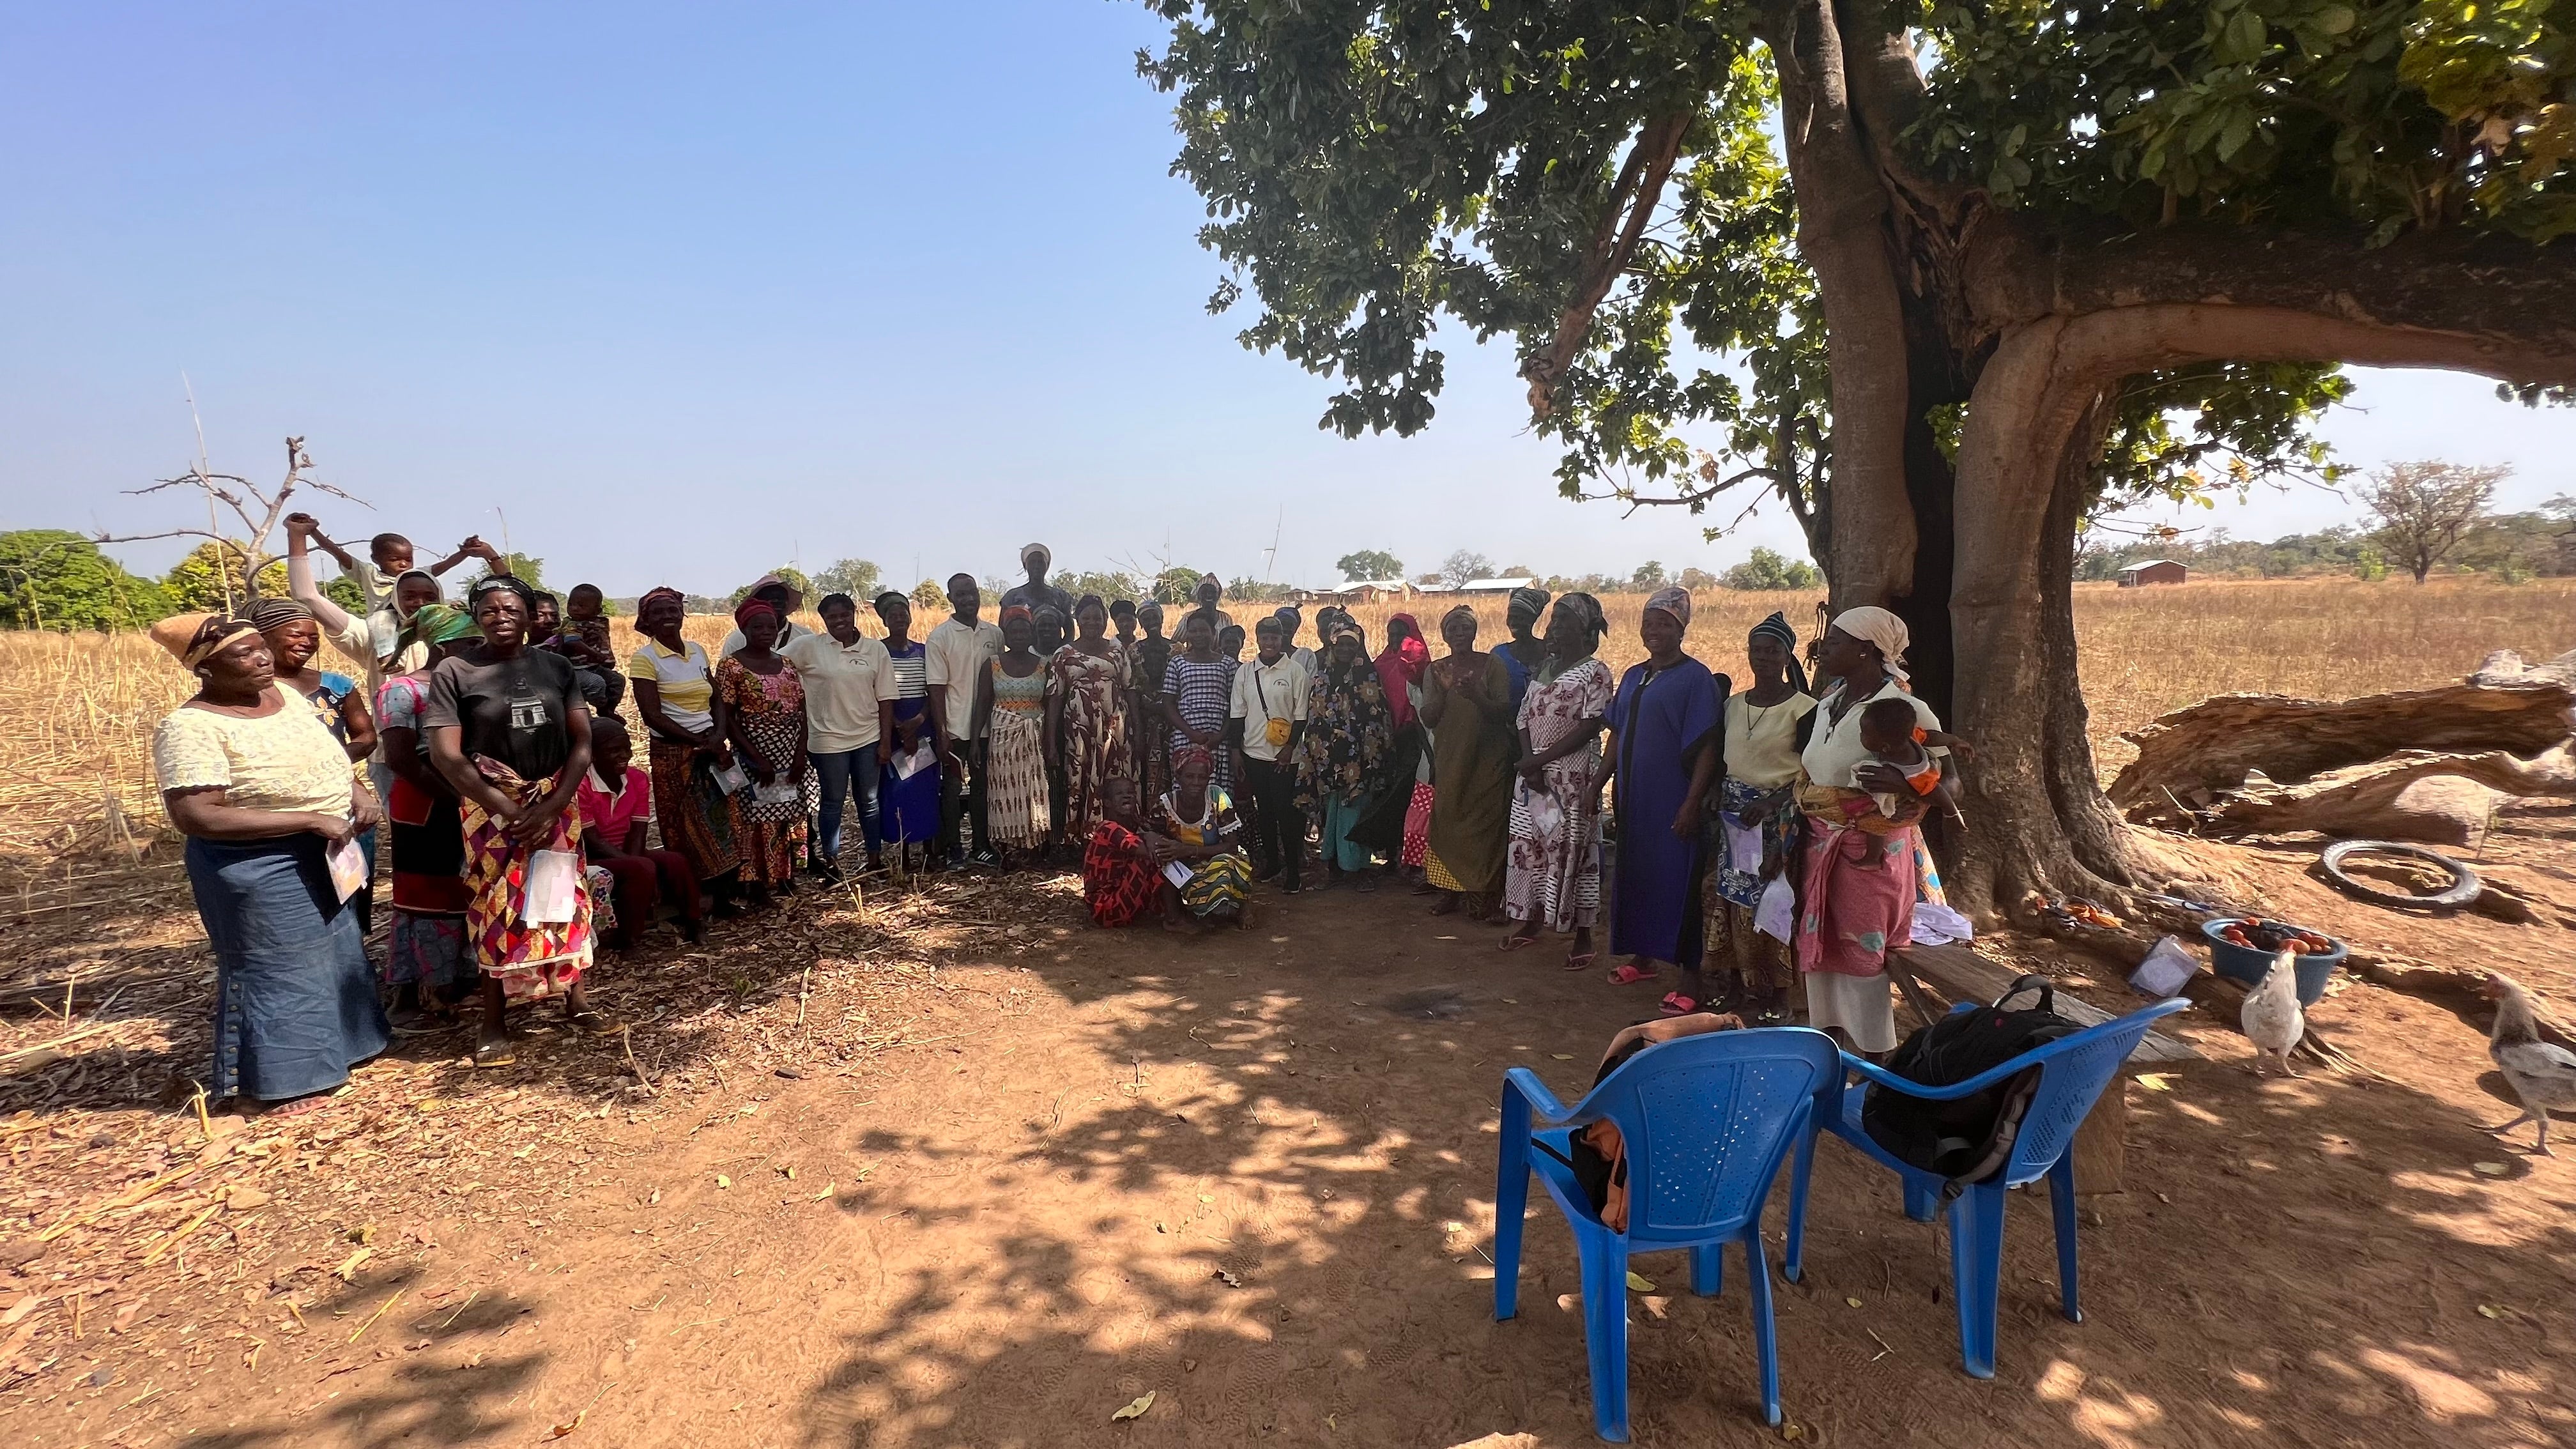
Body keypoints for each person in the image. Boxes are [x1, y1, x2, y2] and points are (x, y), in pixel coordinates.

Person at [151, 613, 388, 1116]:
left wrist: (355, 792)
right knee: (278, 968)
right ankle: (285, 1082)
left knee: (337, 953)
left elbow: (327, 756)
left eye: (262, 648)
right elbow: (196, 814)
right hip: (258, 864)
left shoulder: (287, 698)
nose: (262, 659)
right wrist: (307, 818)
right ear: (206, 668)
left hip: (323, 849)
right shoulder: (191, 726)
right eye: (245, 654)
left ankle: (349, 1049)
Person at [425, 576, 601, 1066]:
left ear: (528, 614)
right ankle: (494, 1020)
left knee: (562, 893)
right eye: (489, 611)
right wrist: (509, 810)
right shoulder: (456, 672)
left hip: (554, 799)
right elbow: (447, 756)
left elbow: (581, 743)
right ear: (475, 616)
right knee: (494, 904)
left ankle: (576, 999)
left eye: (510, 609)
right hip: (490, 807)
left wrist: (551, 804)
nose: (500, 617)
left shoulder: (557, 666)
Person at [1795, 606, 1947, 1057]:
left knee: (1864, 961)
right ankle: (1830, 1053)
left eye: (1836, 642)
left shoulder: (1904, 709)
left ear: (1866, 651)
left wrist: (1904, 783)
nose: (1824, 648)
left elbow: (1951, 782)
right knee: (1824, 957)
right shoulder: (1828, 703)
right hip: (1824, 845)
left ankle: (1875, 1061)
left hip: (1869, 851)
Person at [1682, 611, 1818, 1021]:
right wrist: (1711, 792)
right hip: (1734, 816)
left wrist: (1774, 803)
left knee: (1771, 900)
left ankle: (1778, 994)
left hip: (1777, 818)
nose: (1762, 657)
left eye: (1772, 650)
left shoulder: (1804, 708)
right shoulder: (1733, 704)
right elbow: (1723, 760)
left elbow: (1812, 770)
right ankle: (1738, 986)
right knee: (1727, 901)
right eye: (1756, 650)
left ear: (1786, 655)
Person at [1600, 586, 1727, 990]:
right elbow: (1617, 734)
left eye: (1664, 624)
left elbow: (1707, 746)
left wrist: (1692, 802)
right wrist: (1598, 785)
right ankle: (1643, 956)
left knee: (1679, 878)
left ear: (1681, 630)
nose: (1654, 631)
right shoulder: (1635, 675)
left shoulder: (1696, 678)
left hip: (1673, 796)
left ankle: (1690, 976)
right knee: (1638, 872)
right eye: (1648, 623)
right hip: (1634, 798)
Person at [374, 603, 483, 1016]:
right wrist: (457, 796)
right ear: (443, 645)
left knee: (468, 888)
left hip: (469, 799)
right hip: (425, 803)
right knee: (429, 894)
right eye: (470, 642)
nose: (478, 648)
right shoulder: (402, 691)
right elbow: (402, 758)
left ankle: (464, 976)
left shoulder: (468, 686)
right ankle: (428, 985)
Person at [1501, 594, 1614, 966]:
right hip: (1533, 781)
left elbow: (1590, 725)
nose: (1554, 626)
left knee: (1573, 853)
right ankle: (1529, 920)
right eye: (1554, 620)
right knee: (1527, 849)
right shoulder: (1544, 668)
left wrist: (1538, 760)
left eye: (1564, 620)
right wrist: (1530, 765)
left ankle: (1581, 935)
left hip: (1571, 780)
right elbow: (1523, 718)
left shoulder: (1595, 672)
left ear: (1584, 628)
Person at [254, 596, 378, 934]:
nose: (306, 642)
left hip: (345, 796)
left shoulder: (336, 686)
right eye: (296, 635)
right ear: (262, 636)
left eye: (312, 637)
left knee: (353, 884)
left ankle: (353, 949)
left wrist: (329, 764)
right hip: (286, 806)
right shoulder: (254, 693)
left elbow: (366, 737)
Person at [628, 586, 745, 912]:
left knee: (721, 818)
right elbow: (652, 715)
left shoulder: (696, 651)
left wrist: (718, 735)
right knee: (683, 824)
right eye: (658, 612)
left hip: (710, 745)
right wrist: (700, 742)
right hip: (674, 753)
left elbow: (716, 698)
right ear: (646, 621)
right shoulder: (646, 659)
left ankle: (722, 896)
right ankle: (691, 898)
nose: (668, 616)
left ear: (682, 613)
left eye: (673, 610)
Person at [778, 591, 889, 878]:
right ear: (823, 620)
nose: (839, 621)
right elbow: (775, 667)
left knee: (869, 801)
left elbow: (886, 698)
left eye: (844, 615)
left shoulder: (875, 650)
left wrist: (885, 741)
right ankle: (832, 865)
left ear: (854, 614)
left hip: (868, 736)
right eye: (832, 617)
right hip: (827, 740)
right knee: (832, 802)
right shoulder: (808, 647)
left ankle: (875, 861)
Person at [1418, 604, 1515, 917]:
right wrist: (1446, 693)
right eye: (1452, 629)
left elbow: (1504, 712)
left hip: (1488, 757)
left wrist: (1476, 694)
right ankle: (1450, 890)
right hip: (1451, 756)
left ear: (1475, 632)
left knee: (1485, 822)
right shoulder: (1436, 669)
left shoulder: (1493, 665)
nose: (1459, 634)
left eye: (1465, 628)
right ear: (1444, 635)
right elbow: (1429, 718)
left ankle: (1482, 893)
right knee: (1448, 819)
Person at [717, 599, 815, 905]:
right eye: (757, 627)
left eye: (771, 627)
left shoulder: (785, 664)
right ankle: (757, 884)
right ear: (743, 629)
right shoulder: (731, 666)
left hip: (790, 749)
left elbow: (800, 711)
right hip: (754, 753)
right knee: (757, 817)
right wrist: (756, 758)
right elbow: (727, 716)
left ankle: (785, 876)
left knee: (792, 813)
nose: (765, 632)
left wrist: (800, 754)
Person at [576, 717, 703, 948]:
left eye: (627, 748)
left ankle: (694, 921)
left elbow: (639, 830)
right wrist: (638, 863)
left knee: (675, 861)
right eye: (614, 751)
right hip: (591, 856)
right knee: (642, 868)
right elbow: (592, 841)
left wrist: (637, 860)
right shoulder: (582, 785)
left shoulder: (637, 779)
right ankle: (628, 937)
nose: (624, 755)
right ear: (593, 755)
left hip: (623, 851)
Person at [295, 519, 485, 668]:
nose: (403, 564)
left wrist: (464, 553)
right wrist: (312, 533)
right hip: (385, 622)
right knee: (382, 619)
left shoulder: (415, 577)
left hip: (422, 625)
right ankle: (387, 656)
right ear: (376, 559)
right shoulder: (370, 575)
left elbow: (443, 566)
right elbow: (337, 553)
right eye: (395, 559)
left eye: (408, 560)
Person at [1296, 620, 1395, 890]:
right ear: (1332, 645)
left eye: (1352, 644)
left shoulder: (1368, 676)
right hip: (1327, 756)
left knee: (1356, 810)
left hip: (1360, 758)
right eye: (1342, 644)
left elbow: (1378, 717)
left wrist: (1369, 751)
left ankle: (1357, 869)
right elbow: (1315, 715)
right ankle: (1333, 865)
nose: (1346, 649)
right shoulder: (1323, 676)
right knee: (1332, 812)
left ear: (1359, 647)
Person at [926, 573, 1004, 867]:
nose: (969, 599)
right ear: (951, 599)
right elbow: (936, 689)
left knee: (983, 788)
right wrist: (942, 731)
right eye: (961, 594)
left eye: (972, 592)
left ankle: (981, 846)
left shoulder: (994, 635)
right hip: (955, 729)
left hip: (987, 728)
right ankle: (954, 848)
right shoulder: (940, 637)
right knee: (951, 789)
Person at [1229, 615, 1310, 891]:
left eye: (1275, 637)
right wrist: (1236, 751)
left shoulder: (1295, 672)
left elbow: (1302, 715)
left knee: (1285, 813)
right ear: (1258, 639)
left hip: (1284, 758)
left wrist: (1289, 748)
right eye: (1265, 637)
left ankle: (1293, 873)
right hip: (1254, 754)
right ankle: (1272, 864)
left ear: (1282, 639)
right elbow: (1237, 715)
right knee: (1264, 811)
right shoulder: (1246, 672)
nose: (1270, 642)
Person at [1045, 594, 1131, 847]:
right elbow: (1054, 698)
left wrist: (1134, 727)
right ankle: (1083, 840)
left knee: (1115, 779)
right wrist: (1050, 743)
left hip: (1115, 728)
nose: (1093, 622)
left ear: (1106, 620)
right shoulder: (1064, 654)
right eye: (1086, 617)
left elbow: (1130, 688)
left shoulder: (1117, 650)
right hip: (1078, 729)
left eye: (1098, 617)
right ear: (1077, 620)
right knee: (1079, 777)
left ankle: (1118, 839)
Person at [972, 605, 1052, 858]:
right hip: (1003, 738)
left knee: (1033, 789)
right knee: (1004, 789)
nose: (1018, 636)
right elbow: (983, 704)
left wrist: (1051, 742)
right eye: (1013, 631)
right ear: (1005, 635)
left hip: (1034, 738)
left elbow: (1050, 706)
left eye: (1024, 631)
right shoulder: (992, 665)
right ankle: (1007, 847)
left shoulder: (1044, 665)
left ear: (1032, 635)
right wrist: (975, 742)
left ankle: (1034, 844)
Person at [1148, 745, 1255, 930]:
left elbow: (1231, 846)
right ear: (1178, 777)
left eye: (1202, 777)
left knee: (1230, 862)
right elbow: (1147, 830)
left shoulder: (1217, 797)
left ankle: (1243, 907)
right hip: (1184, 863)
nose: (1196, 782)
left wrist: (1190, 849)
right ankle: (1174, 917)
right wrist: (1154, 839)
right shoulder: (1165, 804)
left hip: (1215, 859)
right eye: (1189, 776)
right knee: (1161, 863)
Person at [871, 590, 943, 866]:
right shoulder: (878, 651)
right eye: (893, 615)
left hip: (923, 726)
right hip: (891, 728)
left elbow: (932, 691)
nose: (900, 618)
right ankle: (902, 853)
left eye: (904, 613)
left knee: (925, 789)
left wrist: (918, 722)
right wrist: (899, 727)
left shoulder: (924, 651)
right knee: (897, 791)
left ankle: (928, 849)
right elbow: (878, 693)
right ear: (885, 621)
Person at [1081, 776, 1162, 928]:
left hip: (1116, 898)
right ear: (1107, 802)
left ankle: (1164, 910)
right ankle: (1174, 917)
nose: (1127, 796)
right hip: (1105, 909)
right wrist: (1150, 836)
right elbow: (1150, 851)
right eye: (1119, 793)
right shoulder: (1108, 829)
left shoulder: (1131, 825)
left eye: (1131, 793)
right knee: (1153, 858)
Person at [1130, 599, 1174, 799]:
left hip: (1173, 719)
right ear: (1141, 623)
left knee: (1173, 767)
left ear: (1162, 618)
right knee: (1145, 768)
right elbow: (1130, 686)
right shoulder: (1133, 650)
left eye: (1154, 616)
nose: (1150, 621)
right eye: (1145, 618)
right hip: (1145, 718)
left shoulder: (1177, 649)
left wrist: (1165, 707)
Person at [717, 574, 811, 657]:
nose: (776, 601)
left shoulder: (805, 636)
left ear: (788, 601)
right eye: (768, 597)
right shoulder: (738, 639)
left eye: (781, 597)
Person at [1497, 586, 1552, 714]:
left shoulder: (1551, 653)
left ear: (1532, 620)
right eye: (1511, 617)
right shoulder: (1499, 655)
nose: (1513, 622)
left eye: (1520, 618)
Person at [999, 542, 1075, 623]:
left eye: (1041, 562)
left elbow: (1069, 630)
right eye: (1032, 562)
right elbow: (1002, 630)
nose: (1037, 566)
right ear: (1026, 566)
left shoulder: (1060, 597)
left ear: (1047, 566)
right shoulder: (1012, 597)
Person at [1273, 606, 1317, 671]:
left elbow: (1311, 680)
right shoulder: (1268, 656)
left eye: (1289, 625)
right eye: (1283, 625)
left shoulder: (1305, 656)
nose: (1286, 629)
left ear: (1295, 629)